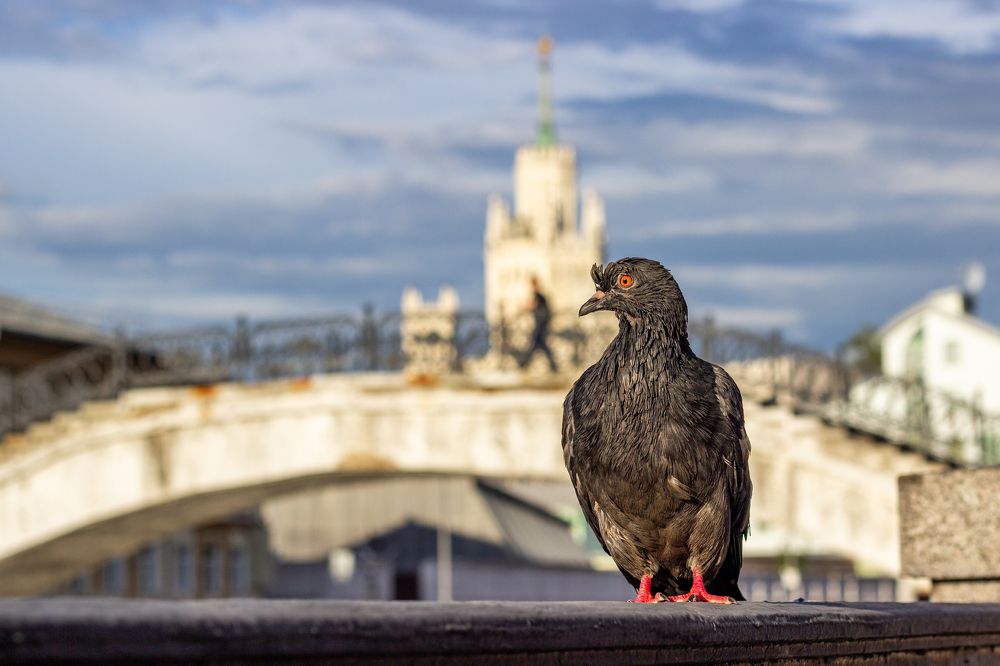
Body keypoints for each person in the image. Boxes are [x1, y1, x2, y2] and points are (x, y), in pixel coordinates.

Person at [519, 276, 557, 372]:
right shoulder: (539, 296)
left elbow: (533, 305)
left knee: (535, 343)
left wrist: (524, 307)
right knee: (540, 344)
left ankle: (523, 363)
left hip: (541, 324)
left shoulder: (539, 296)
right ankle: (553, 365)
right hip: (540, 324)